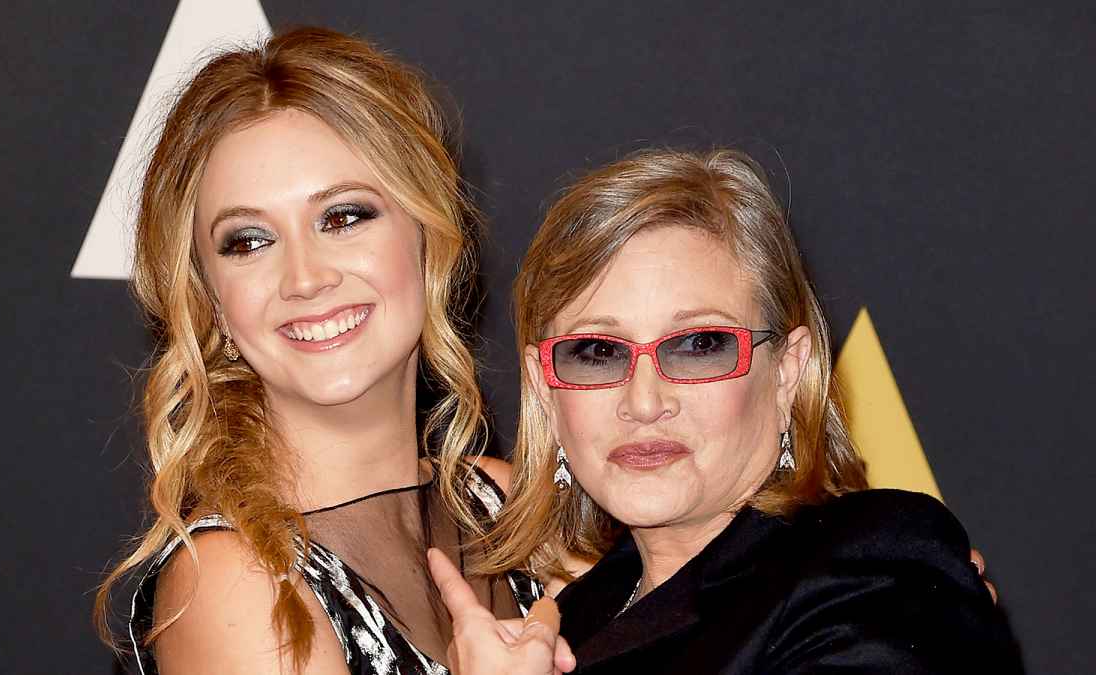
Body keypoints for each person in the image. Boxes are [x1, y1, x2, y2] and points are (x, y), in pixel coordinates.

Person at [435, 148, 1021, 673]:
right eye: (597, 352)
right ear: (546, 391)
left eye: (699, 346)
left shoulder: (870, 570)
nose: (644, 402)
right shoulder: (574, 617)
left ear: (787, 373)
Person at [93, 28, 542, 675]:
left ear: (427, 231)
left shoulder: (504, 505)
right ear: (210, 297)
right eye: (248, 241)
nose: (305, 278)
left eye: (344, 216)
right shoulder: (236, 586)